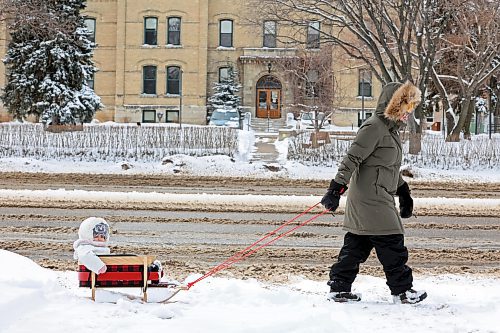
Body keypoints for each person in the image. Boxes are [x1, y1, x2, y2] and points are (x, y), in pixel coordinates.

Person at [321, 81, 427, 304]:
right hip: (371, 198)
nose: (409, 112)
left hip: (377, 196)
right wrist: (335, 189)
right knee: (392, 240)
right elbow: (352, 158)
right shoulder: (374, 127)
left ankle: (339, 288)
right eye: (407, 107)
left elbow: (386, 167)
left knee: (357, 245)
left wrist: (403, 191)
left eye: (411, 108)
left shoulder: (391, 132)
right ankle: (402, 291)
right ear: (395, 105)